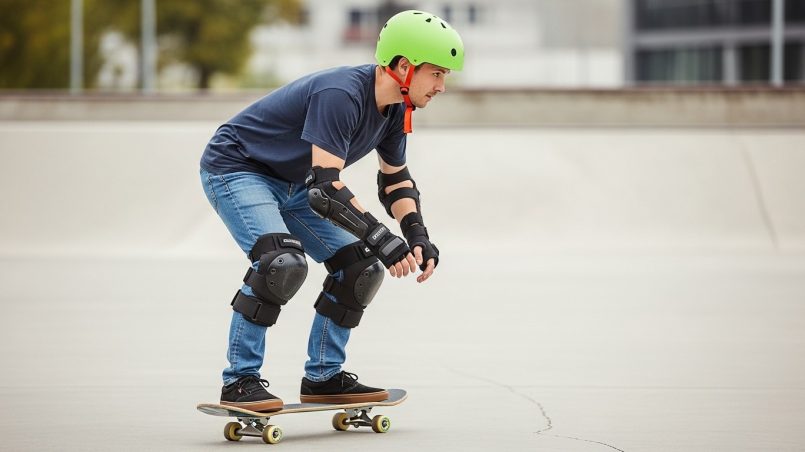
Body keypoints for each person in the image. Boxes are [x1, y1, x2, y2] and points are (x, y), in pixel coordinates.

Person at [199, 10, 464, 412]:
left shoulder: (395, 108)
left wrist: (416, 236)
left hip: (296, 183)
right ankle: (239, 381)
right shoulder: (341, 94)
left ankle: (323, 377)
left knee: (362, 267)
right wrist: (381, 237)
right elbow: (326, 190)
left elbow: (395, 182)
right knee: (280, 263)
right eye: (438, 73)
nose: (443, 86)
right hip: (240, 168)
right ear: (405, 67)